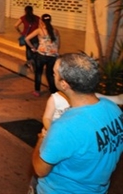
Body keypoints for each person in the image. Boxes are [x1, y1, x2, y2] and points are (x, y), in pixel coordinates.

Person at [32, 53, 123, 194]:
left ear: (64, 84)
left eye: (54, 73)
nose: (52, 75)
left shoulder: (64, 127)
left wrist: (41, 140)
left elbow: (40, 170)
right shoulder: (114, 110)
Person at [25, 13, 59, 97]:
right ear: (50, 20)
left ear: (42, 21)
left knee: (38, 73)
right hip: (52, 55)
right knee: (50, 74)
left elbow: (26, 39)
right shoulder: (56, 31)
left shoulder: (40, 30)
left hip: (41, 55)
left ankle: (37, 90)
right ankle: (53, 91)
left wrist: (32, 48)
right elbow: (58, 44)